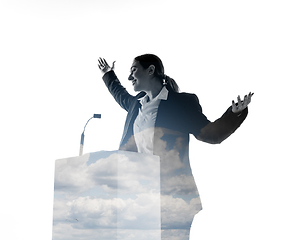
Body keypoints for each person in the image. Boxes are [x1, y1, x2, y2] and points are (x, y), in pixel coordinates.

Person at [98, 54, 253, 240]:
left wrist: (234, 114)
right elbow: (119, 93)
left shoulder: (180, 103)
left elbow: (209, 133)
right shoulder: (135, 104)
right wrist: (108, 73)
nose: (130, 77)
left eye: (134, 70)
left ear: (151, 70)